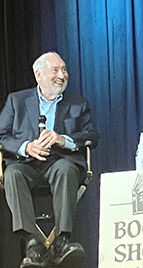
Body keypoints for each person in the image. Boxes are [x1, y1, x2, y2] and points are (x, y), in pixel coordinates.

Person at [0, 52, 99, 268]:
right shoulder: (16, 101)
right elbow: (1, 135)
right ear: (39, 74)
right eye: (56, 70)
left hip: (59, 162)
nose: (62, 75)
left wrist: (63, 140)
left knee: (65, 168)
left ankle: (62, 242)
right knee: (12, 173)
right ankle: (32, 243)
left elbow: (92, 135)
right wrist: (26, 146)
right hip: (26, 164)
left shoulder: (77, 103)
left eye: (64, 70)